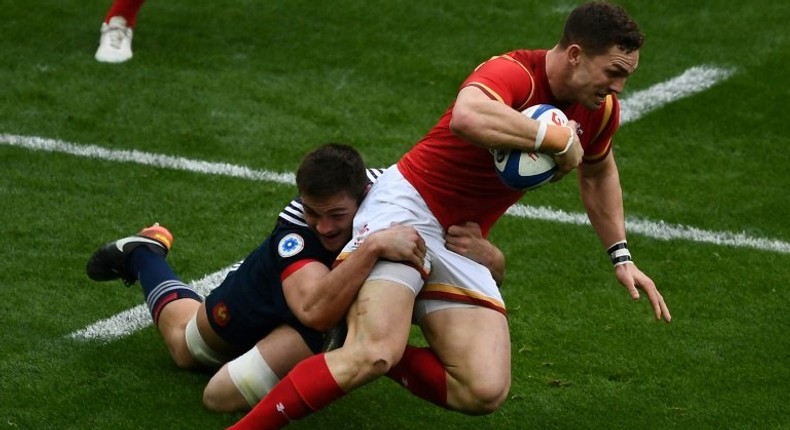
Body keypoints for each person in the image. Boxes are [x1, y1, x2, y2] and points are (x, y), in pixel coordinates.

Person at [230, 1, 672, 428]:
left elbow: (597, 172)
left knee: (483, 389)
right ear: (575, 55)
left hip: (462, 238)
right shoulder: (514, 72)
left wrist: (621, 255)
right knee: (373, 352)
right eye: (613, 72)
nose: (619, 88)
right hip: (405, 208)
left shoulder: (600, 112)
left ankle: (363, 331)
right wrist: (552, 139)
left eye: (626, 76)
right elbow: (468, 115)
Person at [85, 143, 427, 412]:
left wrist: (482, 253)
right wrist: (372, 247)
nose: (323, 226)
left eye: (337, 214)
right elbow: (314, 311)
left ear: (364, 194)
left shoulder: (385, 188)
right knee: (185, 346)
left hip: (298, 322)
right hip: (252, 308)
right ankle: (144, 254)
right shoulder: (295, 234)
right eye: (313, 212)